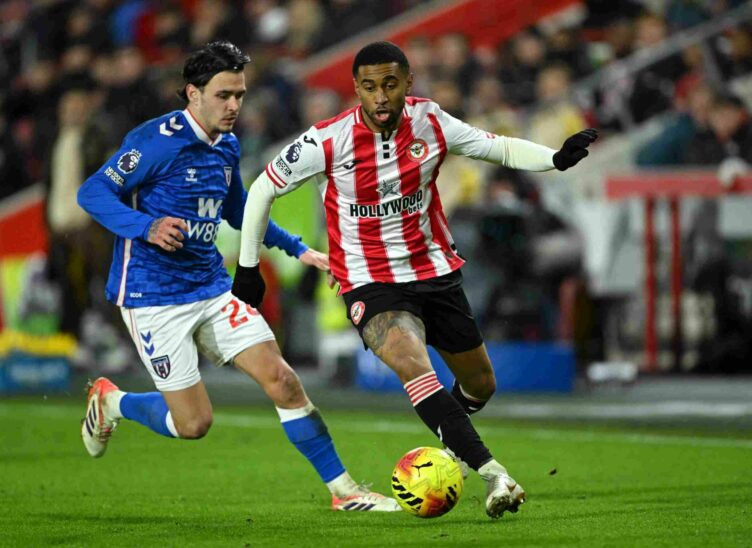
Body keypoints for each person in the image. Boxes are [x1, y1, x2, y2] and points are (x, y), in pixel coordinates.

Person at [233, 41, 597, 519]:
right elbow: (261, 190)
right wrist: (247, 267)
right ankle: (493, 473)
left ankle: (452, 454)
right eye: (368, 87)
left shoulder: (432, 122)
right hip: (369, 280)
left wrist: (555, 158)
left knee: (481, 384)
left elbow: (498, 146)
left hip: (434, 271)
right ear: (357, 90)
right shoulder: (326, 141)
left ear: (406, 82)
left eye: (389, 84)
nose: (380, 96)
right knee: (412, 362)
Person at [76, 41, 399, 512]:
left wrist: (301, 249)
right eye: (224, 95)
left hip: (209, 286)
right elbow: (93, 192)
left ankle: (345, 492)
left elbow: (240, 212)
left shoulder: (226, 146)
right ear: (193, 94)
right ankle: (113, 402)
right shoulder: (153, 141)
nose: (234, 106)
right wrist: (146, 225)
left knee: (284, 381)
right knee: (194, 424)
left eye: (240, 95)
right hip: (153, 296)